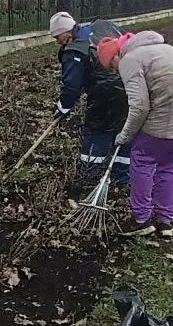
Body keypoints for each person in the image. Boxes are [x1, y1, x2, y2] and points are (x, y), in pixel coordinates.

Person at [97, 32, 173, 237]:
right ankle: (165, 221)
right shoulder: (166, 49)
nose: (115, 70)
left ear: (116, 54)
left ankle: (141, 219)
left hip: (172, 115)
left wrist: (125, 135)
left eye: (111, 65)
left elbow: (139, 107)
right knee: (171, 164)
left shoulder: (130, 60)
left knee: (142, 158)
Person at [49, 12, 130, 193]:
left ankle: (90, 179)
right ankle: (122, 180)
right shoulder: (104, 26)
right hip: (129, 88)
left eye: (57, 36)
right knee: (125, 133)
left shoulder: (75, 50)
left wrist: (62, 109)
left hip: (103, 97)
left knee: (97, 134)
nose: (57, 41)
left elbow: (71, 86)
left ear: (67, 32)